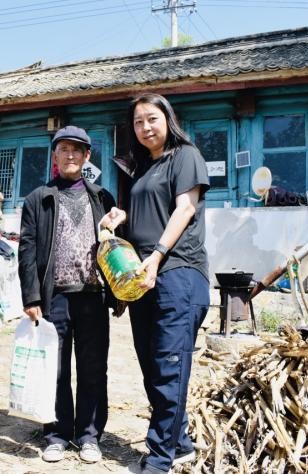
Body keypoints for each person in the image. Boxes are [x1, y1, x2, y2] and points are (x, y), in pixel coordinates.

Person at [101, 94, 210, 474]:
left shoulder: (185, 155)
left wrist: (159, 253)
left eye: (152, 118)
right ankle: (179, 444)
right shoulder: (144, 168)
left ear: (168, 118)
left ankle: (159, 458)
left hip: (178, 273)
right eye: (138, 122)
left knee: (168, 365)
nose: (146, 127)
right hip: (143, 279)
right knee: (152, 366)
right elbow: (148, 212)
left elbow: (185, 208)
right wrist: (120, 214)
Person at [18, 126, 118, 464]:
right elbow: (27, 251)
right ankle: (57, 435)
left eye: (78, 150)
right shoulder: (38, 198)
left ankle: (89, 435)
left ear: (88, 156)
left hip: (93, 295)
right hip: (54, 297)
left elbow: (116, 248)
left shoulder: (103, 198)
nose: (71, 155)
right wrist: (31, 297)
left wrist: (118, 294)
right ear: (55, 156)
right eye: (64, 149)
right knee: (55, 370)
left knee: (93, 368)